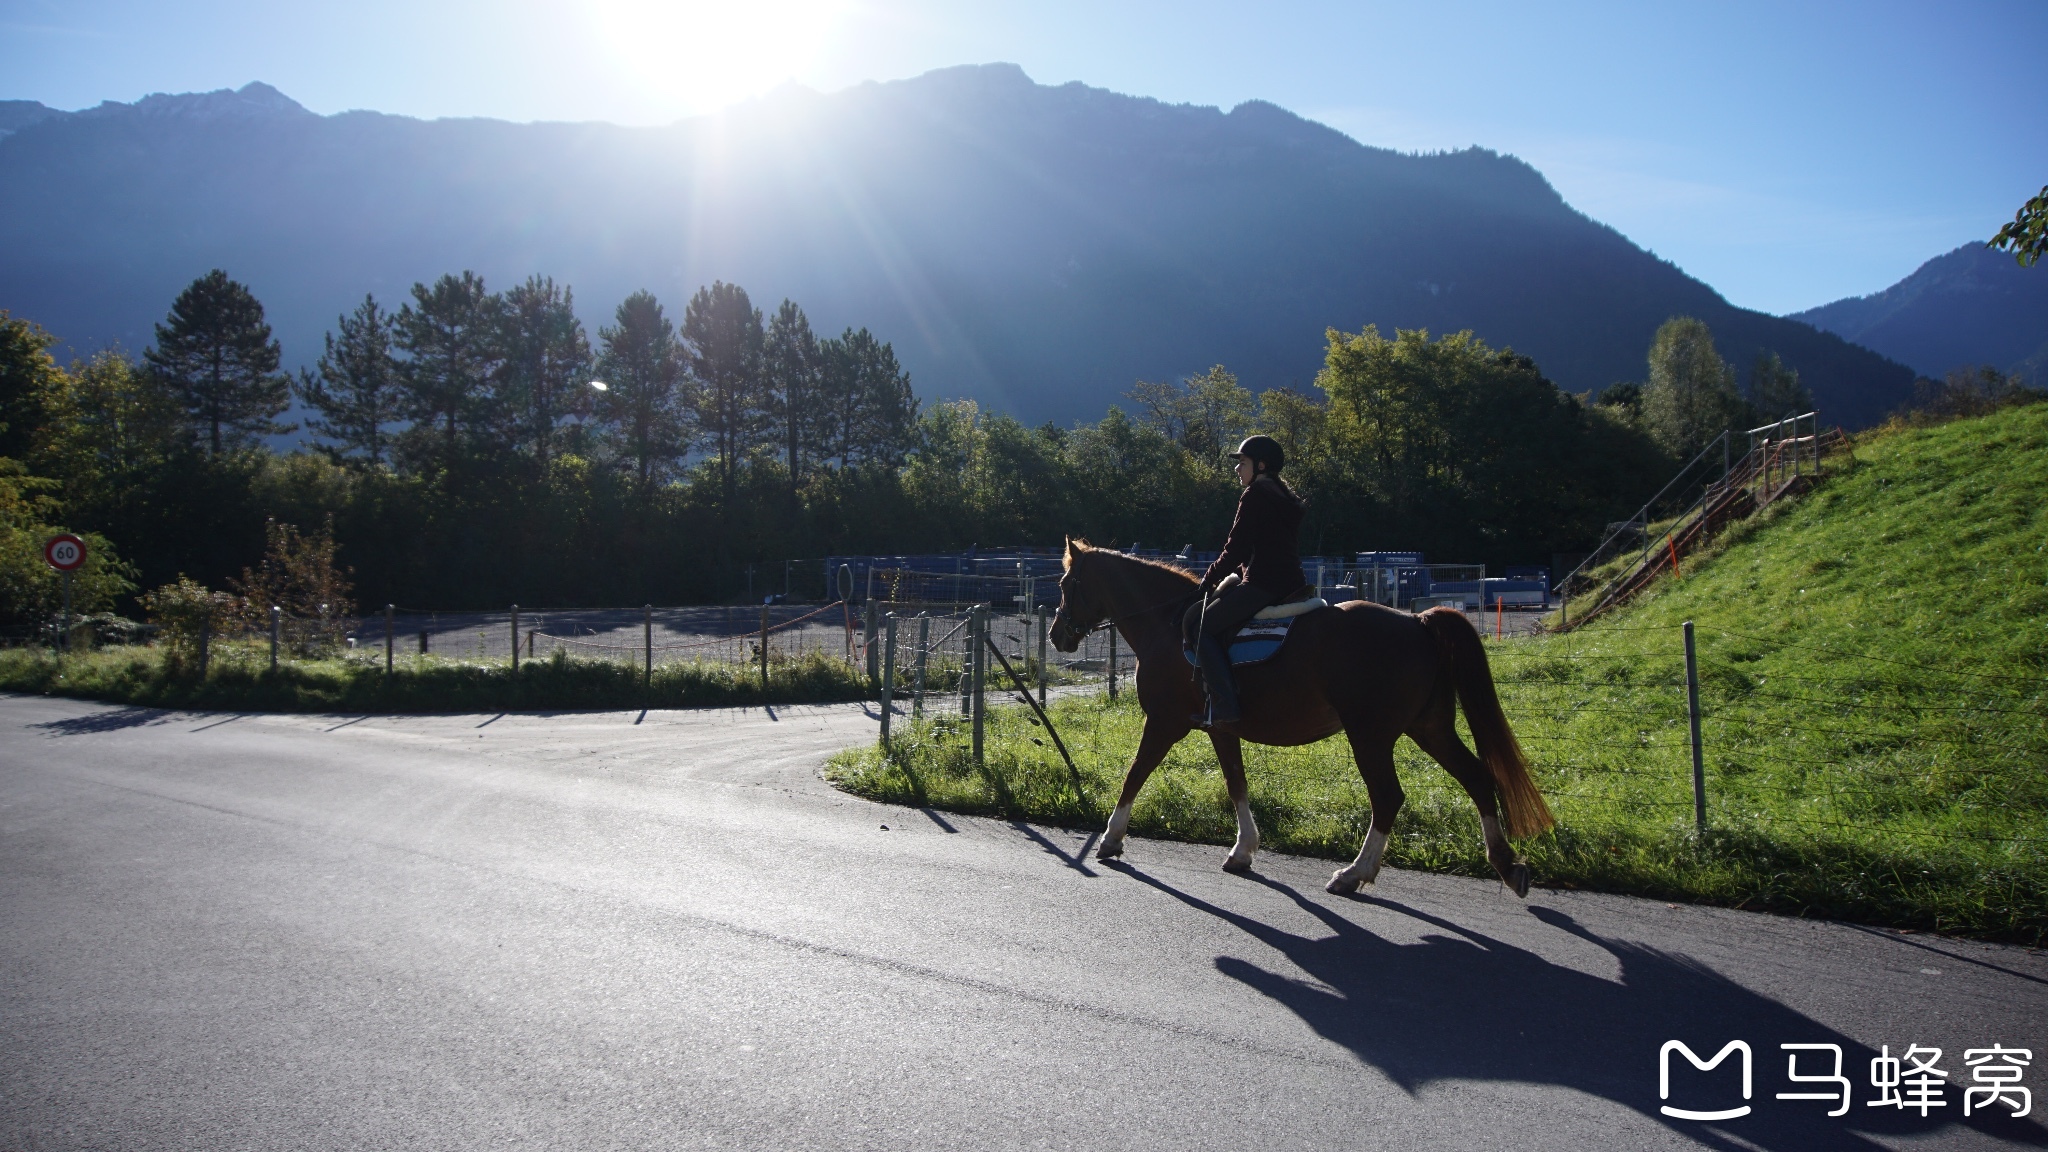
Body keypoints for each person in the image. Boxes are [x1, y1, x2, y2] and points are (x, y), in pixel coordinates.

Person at [1185, 435, 1306, 725]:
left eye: (1242, 462)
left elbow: (1235, 547)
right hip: (1291, 580)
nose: (1238, 469)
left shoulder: (1254, 495)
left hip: (1263, 584)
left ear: (1261, 465)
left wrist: (1208, 579)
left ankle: (1225, 706)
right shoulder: (1284, 495)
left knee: (1199, 627)